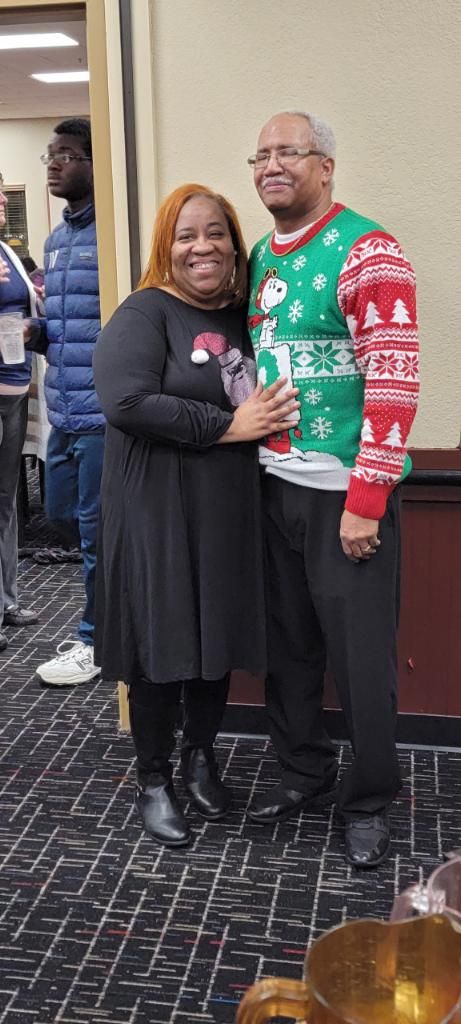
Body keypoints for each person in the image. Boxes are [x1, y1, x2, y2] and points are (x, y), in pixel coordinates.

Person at [92, 183, 299, 848]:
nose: (202, 247)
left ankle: (200, 756)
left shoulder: (245, 318)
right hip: (156, 510)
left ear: (235, 248)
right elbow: (125, 402)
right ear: (167, 247)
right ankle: (153, 778)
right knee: (161, 646)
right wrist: (227, 426)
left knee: (215, 643)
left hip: (229, 508)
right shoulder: (144, 313)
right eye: (186, 236)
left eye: (215, 234)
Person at [246, 111, 419, 867]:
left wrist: (365, 500)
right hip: (272, 486)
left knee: (360, 659)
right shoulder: (261, 254)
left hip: (343, 498)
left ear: (325, 166)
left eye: (289, 151)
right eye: (260, 155)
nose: (271, 165)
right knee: (287, 651)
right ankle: (303, 773)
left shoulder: (368, 250)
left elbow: (393, 381)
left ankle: (370, 799)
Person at [29, 118, 104, 687]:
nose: (55, 165)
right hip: (63, 410)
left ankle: (96, 640)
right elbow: (63, 326)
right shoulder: (56, 241)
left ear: (95, 164)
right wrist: (35, 333)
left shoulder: (112, 235)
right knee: (59, 515)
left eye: (68, 155)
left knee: (97, 532)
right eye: (50, 156)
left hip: (102, 413)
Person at [0, 182, 40, 651]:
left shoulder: (7, 251)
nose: (2, 200)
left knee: (6, 500)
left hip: (14, 388)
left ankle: (7, 600)